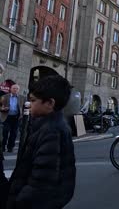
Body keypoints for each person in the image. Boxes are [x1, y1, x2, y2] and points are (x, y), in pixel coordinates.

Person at [6, 75, 76, 209]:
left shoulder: (51, 131)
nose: (29, 104)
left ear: (50, 103)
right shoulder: (48, 125)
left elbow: (41, 182)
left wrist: (18, 202)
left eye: (33, 100)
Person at [1, 84, 25, 153]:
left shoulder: (22, 97)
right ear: (11, 89)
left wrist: (23, 114)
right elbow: (0, 106)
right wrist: (3, 108)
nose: (15, 90)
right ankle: (3, 146)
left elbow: (25, 107)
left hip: (16, 118)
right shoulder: (4, 97)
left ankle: (10, 147)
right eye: (14, 88)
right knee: (5, 132)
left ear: (18, 90)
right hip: (7, 117)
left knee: (14, 133)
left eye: (17, 89)